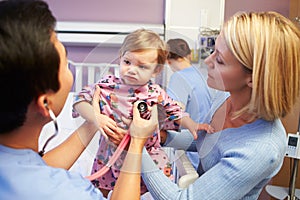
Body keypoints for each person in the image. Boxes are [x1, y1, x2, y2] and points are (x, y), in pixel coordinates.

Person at [0, 1, 158, 199]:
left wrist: (94, 121)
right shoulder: (69, 192)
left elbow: (30, 170)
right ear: (45, 104)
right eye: (66, 64)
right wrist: (137, 141)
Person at [138, 11, 300, 199]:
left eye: (220, 60)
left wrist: (137, 147)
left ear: (253, 79)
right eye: (213, 50)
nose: (208, 61)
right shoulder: (226, 96)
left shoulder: (260, 149)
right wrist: (163, 137)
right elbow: (208, 141)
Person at [72, 28, 215, 196]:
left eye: (142, 66)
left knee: (146, 187)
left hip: (147, 153)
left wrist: (192, 124)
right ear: (120, 58)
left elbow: (175, 111)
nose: (132, 70)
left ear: (155, 71)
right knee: (99, 189)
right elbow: (79, 100)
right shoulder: (106, 85)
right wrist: (96, 117)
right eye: (127, 62)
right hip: (110, 152)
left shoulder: (156, 93)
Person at [165, 38, 213, 169]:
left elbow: (173, 110)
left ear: (168, 61)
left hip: (192, 150)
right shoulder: (202, 74)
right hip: (207, 147)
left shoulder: (178, 77)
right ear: (189, 55)